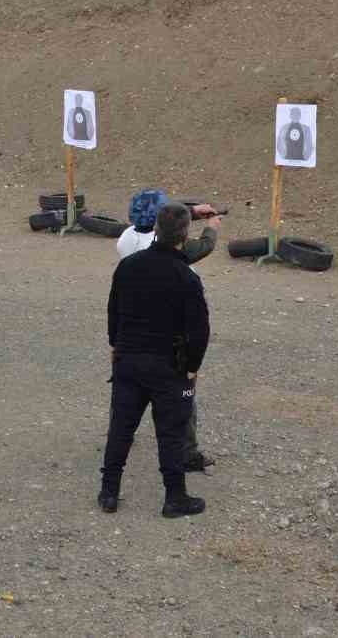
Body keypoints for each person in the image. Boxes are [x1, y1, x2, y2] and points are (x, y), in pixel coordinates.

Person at [99, 202, 210, 519]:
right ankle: (175, 498)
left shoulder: (128, 265)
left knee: (121, 430)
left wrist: (114, 345)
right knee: (171, 434)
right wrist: (192, 368)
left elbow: (113, 310)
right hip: (169, 368)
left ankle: (109, 493)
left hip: (128, 361)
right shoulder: (186, 277)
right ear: (185, 235)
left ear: (155, 230)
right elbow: (199, 329)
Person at [114, 188, 221, 473]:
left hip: (135, 332)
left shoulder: (127, 238)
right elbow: (200, 247)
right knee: (183, 396)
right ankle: (186, 454)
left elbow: (166, 222)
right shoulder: (171, 251)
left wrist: (193, 212)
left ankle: (122, 437)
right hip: (169, 334)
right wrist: (211, 227)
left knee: (128, 392)